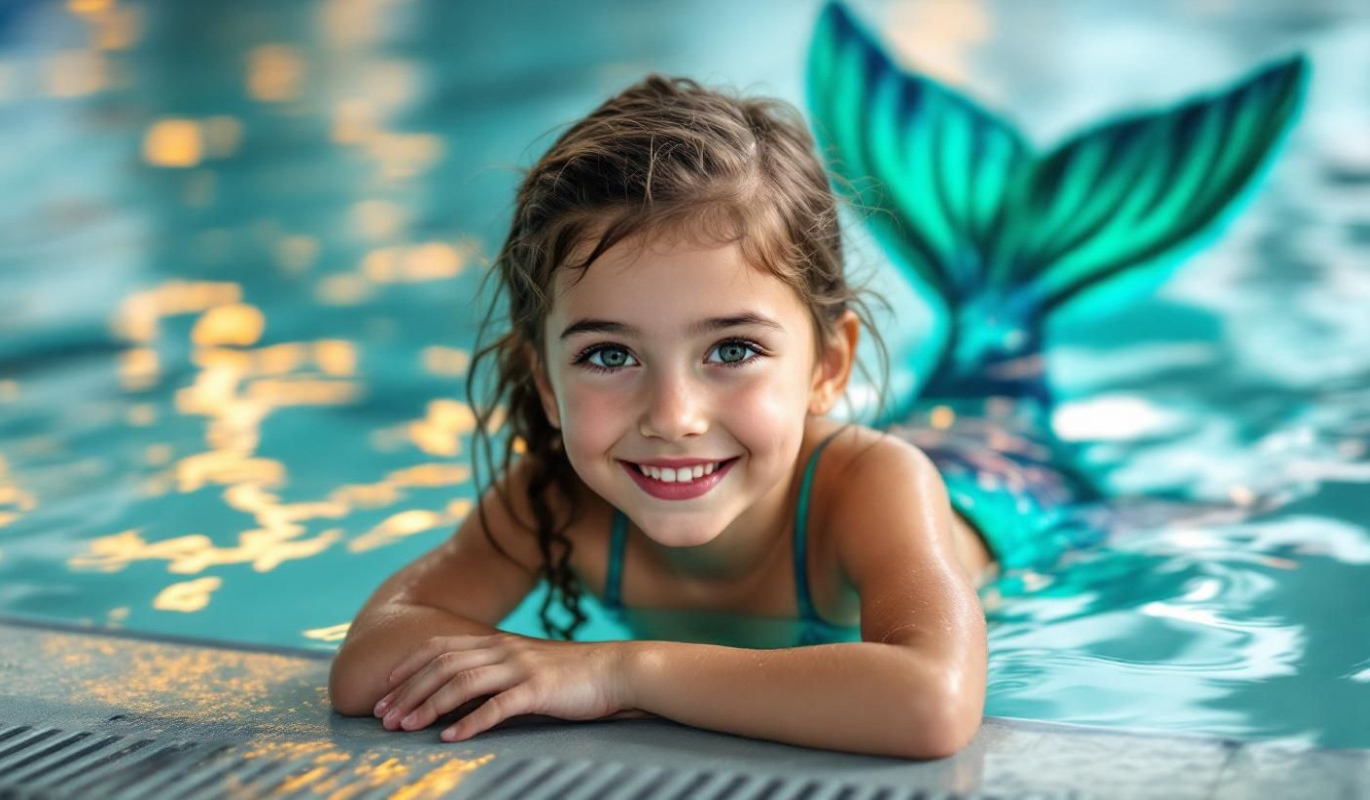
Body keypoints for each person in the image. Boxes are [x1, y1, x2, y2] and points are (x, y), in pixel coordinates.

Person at [329, 1, 1307, 760]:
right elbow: (364, 665)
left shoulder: (873, 486)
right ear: (543, 385)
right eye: (608, 355)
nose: (671, 417)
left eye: (730, 349)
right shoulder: (549, 501)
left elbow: (927, 699)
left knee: (1161, 519)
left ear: (827, 363)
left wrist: (613, 670)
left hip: (1009, 487)